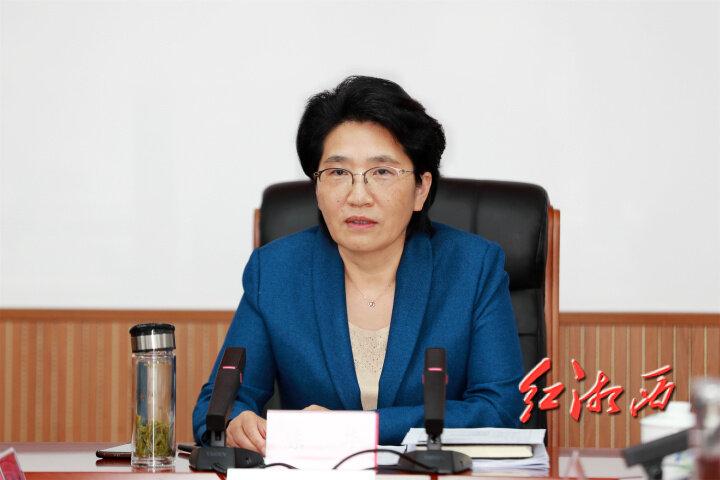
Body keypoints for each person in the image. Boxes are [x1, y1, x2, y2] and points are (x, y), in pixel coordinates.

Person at [192, 76, 524, 454]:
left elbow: (500, 410)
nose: (358, 196)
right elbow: (216, 407)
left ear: (421, 189)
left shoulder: (473, 268)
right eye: (338, 173)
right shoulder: (275, 271)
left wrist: (360, 428)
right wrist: (236, 423)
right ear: (317, 188)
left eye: (382, 172)